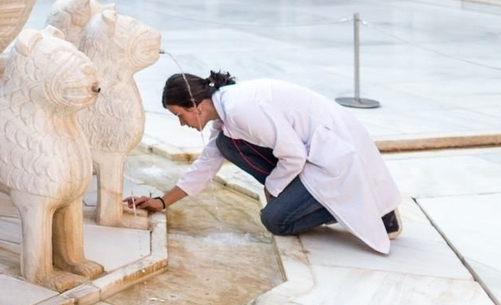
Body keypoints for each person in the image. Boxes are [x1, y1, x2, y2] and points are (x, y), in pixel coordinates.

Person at [125, 71, 403, 253]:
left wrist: (273, 188)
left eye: (179, 115)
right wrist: (162, 202)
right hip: (318, 151)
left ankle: (375, 211)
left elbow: (293, 154)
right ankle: (319, 198)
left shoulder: (240, 109)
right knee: (224, 145)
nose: (181, 123)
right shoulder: (225, 111)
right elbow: (206, 165)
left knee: (276, 221)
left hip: (337, 154)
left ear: (195, 106)